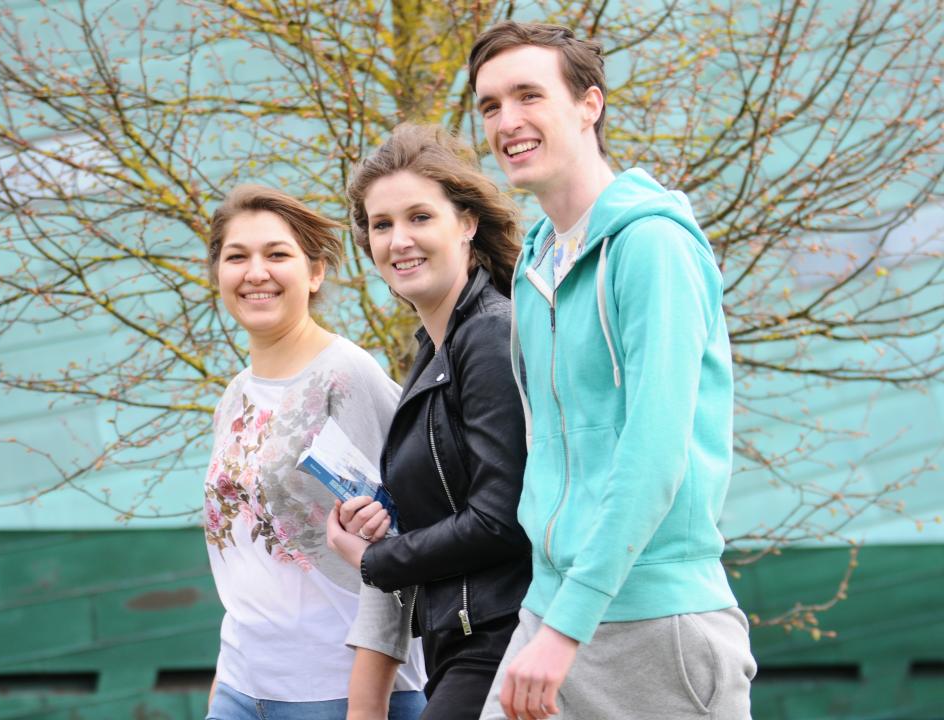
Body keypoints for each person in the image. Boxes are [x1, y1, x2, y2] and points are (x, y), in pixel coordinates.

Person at [468, 21, 757, 720]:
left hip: (655, 625)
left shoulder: (652, 247)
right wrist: (555, 613)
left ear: (589, 104)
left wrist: (569, 625)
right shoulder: (536, 266)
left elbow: (654, 452)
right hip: (554, 608)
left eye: (529, 96)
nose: (507, 122)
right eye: (489, 105)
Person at [325, 124, 532, 720]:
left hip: (501, 637)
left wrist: (377, 561)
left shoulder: (491, 334)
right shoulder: (434, 349)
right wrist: (381, 518)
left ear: (466, 223)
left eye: (420, 217)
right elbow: (452, 493)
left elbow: (502, 517)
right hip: (458, 637)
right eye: (382, 224)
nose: (399, 240)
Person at [202, 184, 426, 720]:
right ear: (218, 275)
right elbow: (242, 557)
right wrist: (221, 688)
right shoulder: (235, 397)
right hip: (241, 687)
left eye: (277, 255)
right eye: (237, 257)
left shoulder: (344, 378)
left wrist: (365, 707)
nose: (256, 272)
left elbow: (398, 549)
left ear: (315, 272)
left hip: (337, 693)